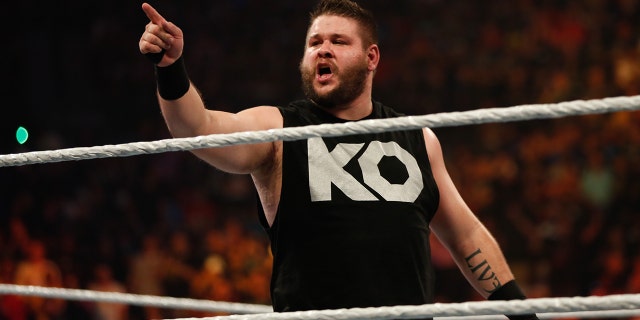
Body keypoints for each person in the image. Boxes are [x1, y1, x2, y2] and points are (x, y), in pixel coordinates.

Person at [138, 0, 539, 319]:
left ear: (371, 57)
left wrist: (521, 311)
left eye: (338, 41)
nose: (322, 49)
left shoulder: (418, 138)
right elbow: (199, 129)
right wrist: (171, 68)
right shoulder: (280, 129)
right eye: (314, 42)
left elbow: (466, 237)